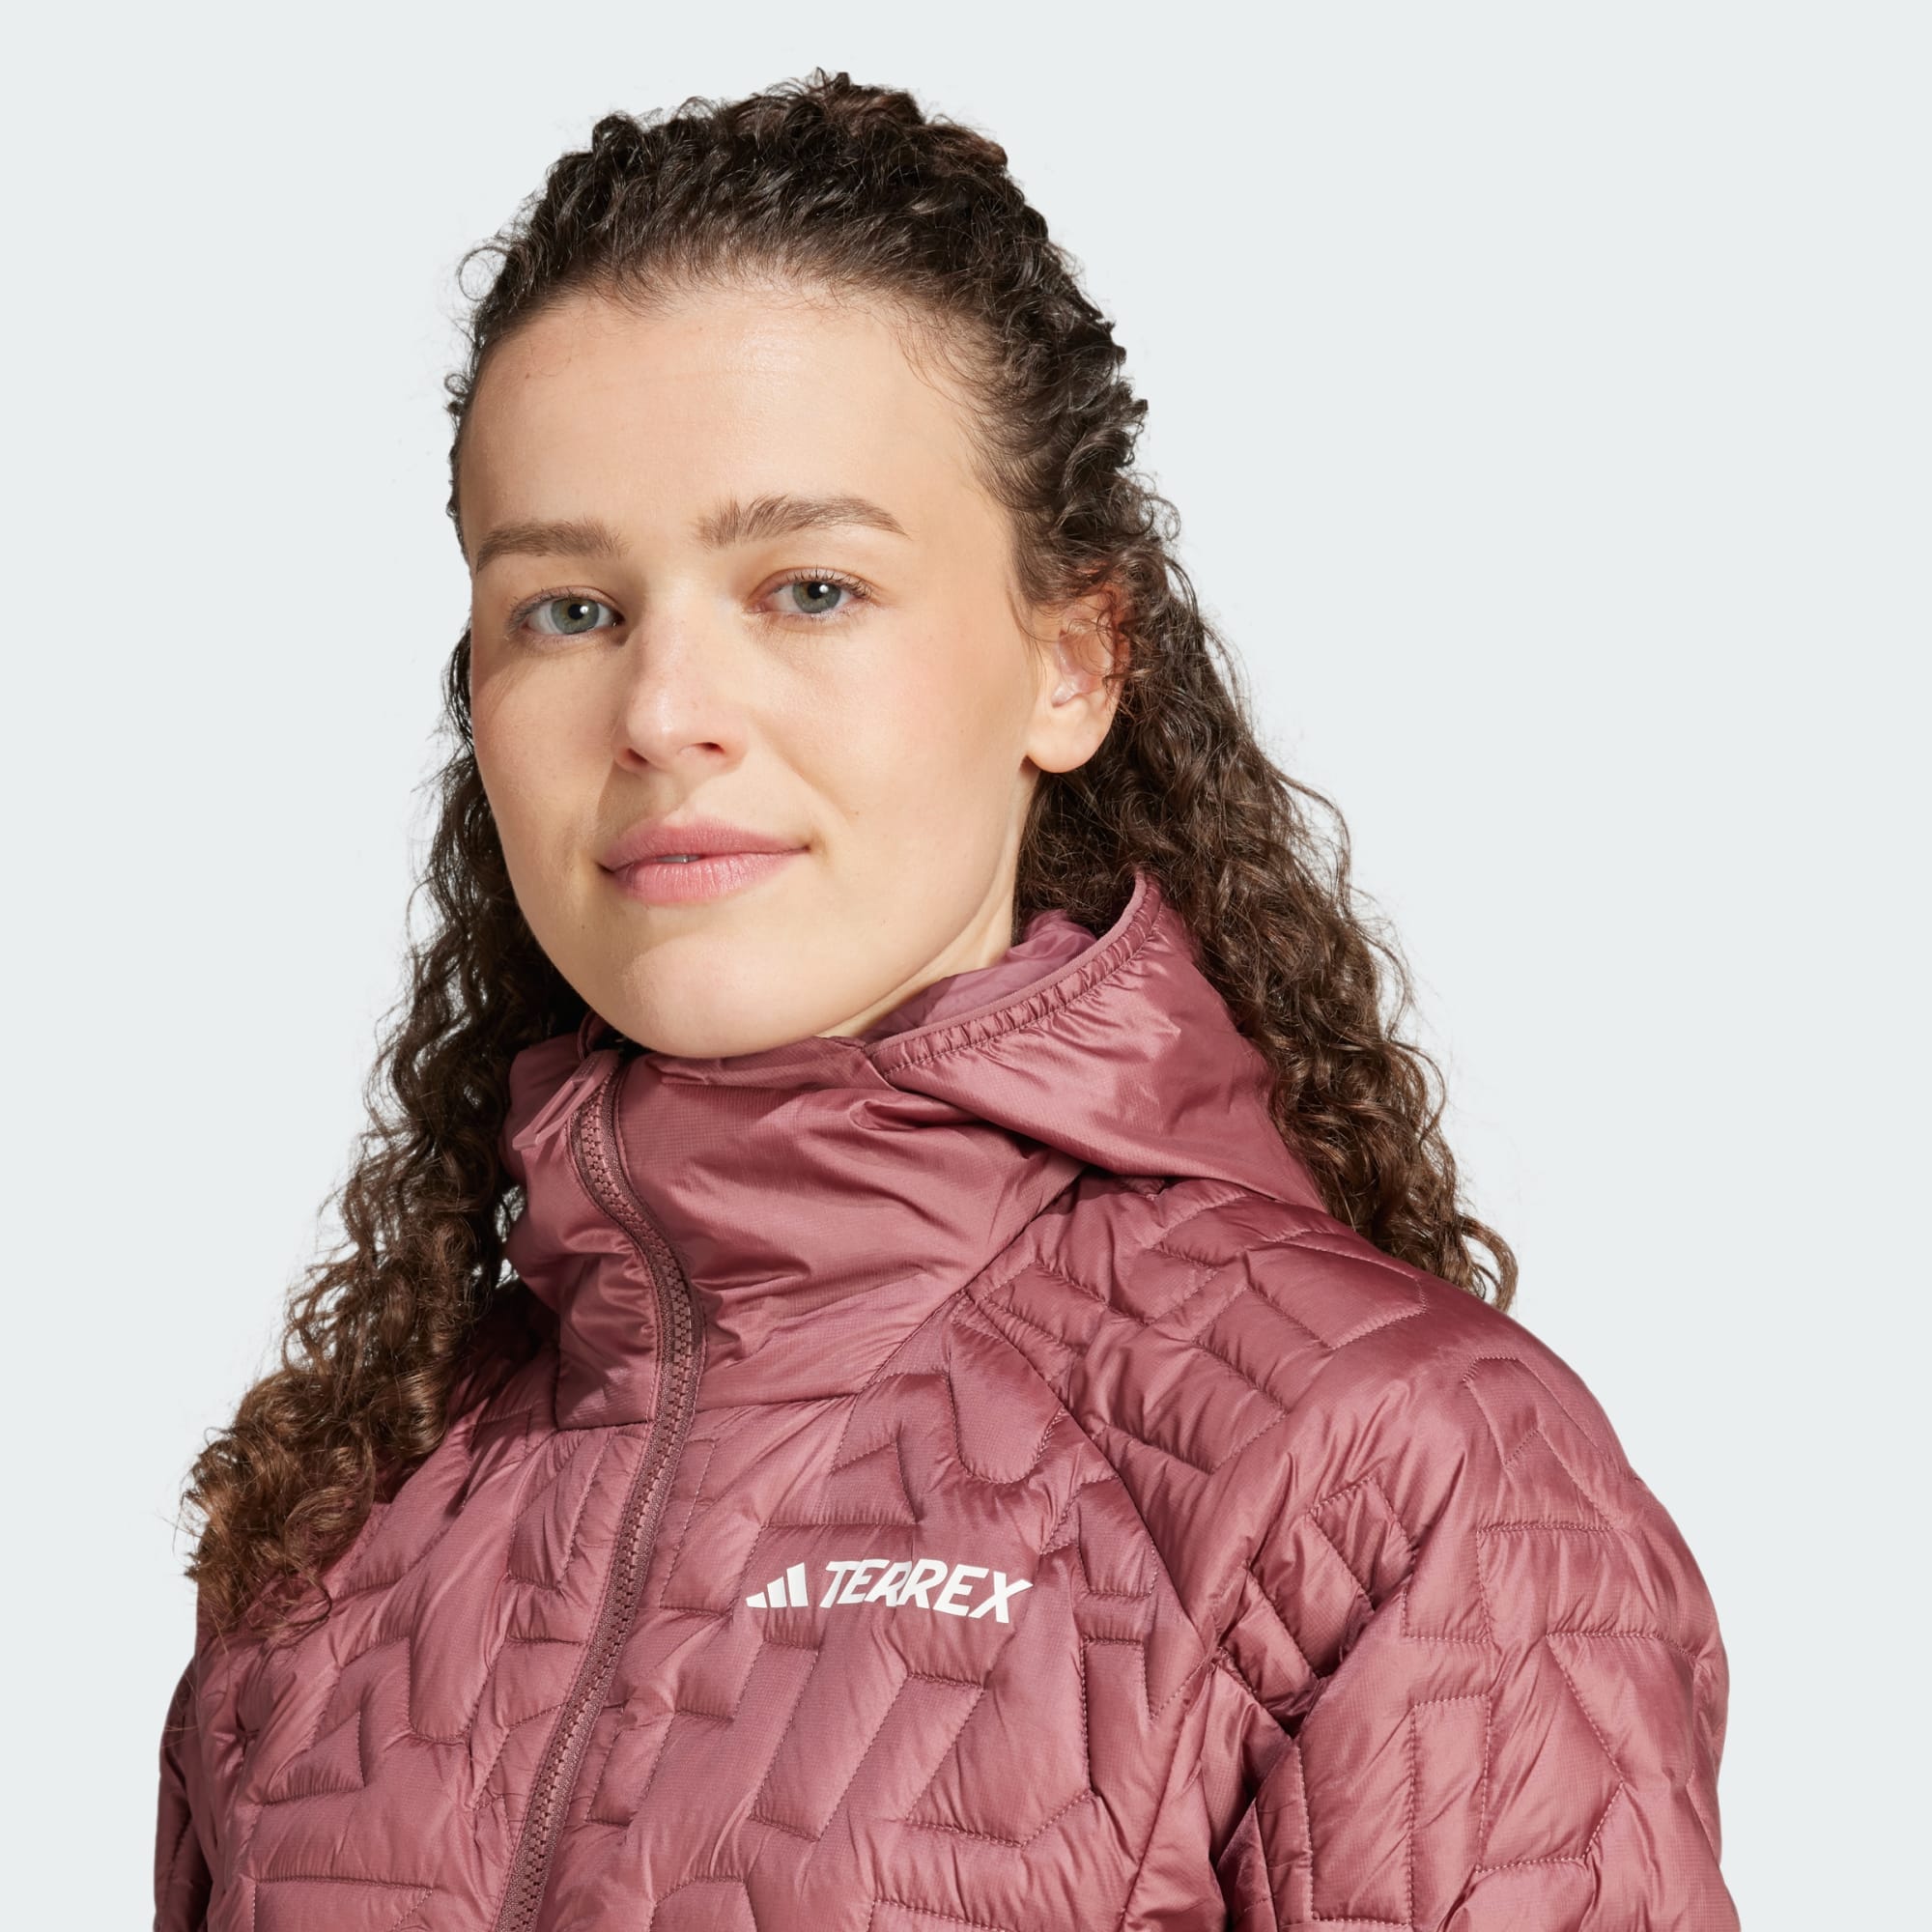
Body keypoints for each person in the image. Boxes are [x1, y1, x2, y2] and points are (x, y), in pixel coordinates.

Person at [154, 69, 1740, 1932]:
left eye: (810, 587)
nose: (664, 710)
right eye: (569, 608)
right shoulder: (345, 1530)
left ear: (1073, 661)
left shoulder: (1387, 1470)